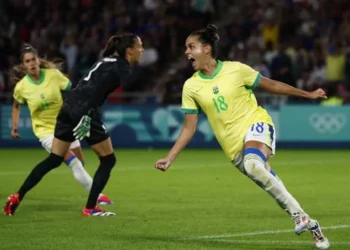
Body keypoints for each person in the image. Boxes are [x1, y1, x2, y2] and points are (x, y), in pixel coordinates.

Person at [154, 24, 330, 249]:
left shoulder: (235, 69)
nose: (186, 52)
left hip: (256, 124)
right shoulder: (191, 86)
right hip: (233, 147)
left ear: (206, 49)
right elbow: (189, 127)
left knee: (254, 164)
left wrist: (306, 94)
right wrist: (170, 157)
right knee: (268, 181)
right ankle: (308, 221)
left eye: (191, 47)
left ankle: (301, 218)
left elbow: (271, 84)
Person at [4, 35, 143, 216]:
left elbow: (84, 86)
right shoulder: (121, 68)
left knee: (54, 159)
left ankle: (17, 196)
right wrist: (88, 115)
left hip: (68, 106)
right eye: (140, 46)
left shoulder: (108, 60)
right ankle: (90, 207)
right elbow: (97, 91)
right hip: (83, 109)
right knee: (108, 160)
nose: (142, 50)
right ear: (129, 50)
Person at [6, 44, 112, 210]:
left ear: (38, 60)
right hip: (46, 132)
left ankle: (92, 192)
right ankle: (97, 197)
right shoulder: (21, 88)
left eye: (33, 59)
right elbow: (16, 105)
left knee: (80, 162)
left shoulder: (53, 75)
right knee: (74, 163)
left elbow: (73, 91)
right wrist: (14, 127)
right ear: (24, 65)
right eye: (28, 61)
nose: (32, 63)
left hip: (65, 124)